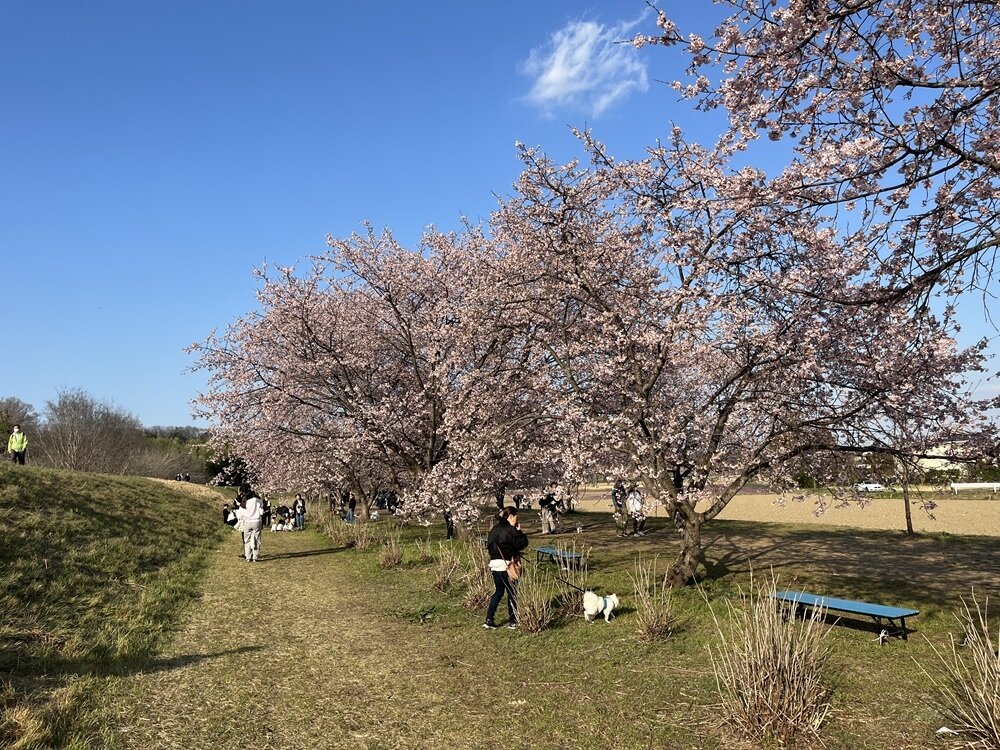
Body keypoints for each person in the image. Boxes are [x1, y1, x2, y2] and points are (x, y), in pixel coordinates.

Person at [484, 506, 528, 630]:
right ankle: (513, 620)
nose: (517, 519)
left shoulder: (494, 529)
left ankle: (489, 619)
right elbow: (521, 544)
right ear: (511, 516)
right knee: (512, 592)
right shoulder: (510, 529)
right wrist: (519, 531)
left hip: (494, 564)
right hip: (508, 565)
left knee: (498, 592)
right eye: (516, 516)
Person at [234, 487, 263, 562]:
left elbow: (240, 516)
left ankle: (248, 557)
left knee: (247, 540)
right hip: (256, 521)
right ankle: (255, 557)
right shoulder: (257, 501)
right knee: (257, 539)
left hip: (247, 522)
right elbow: (261, 510)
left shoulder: (244, 503)